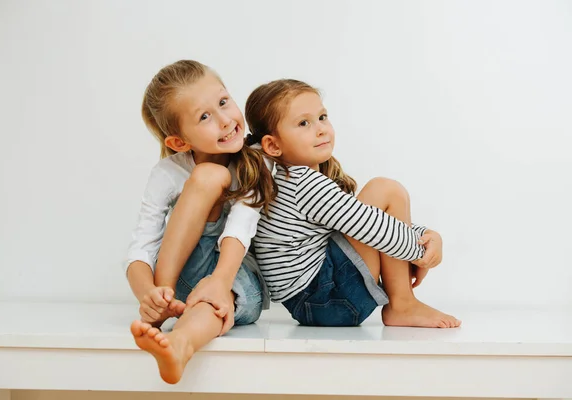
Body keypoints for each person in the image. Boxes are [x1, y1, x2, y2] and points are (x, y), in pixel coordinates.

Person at [230, 78, 461, 328]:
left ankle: (403, 302)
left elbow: (363, 219)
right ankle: (402, 304)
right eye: (304, 123)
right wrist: (421, 251)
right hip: (328, 299)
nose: (321, 129)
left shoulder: (285, 178)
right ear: (273, 145)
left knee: (377, 210)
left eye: (322, 117)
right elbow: (370, 226)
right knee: (386, 191)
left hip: (315, 302)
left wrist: (421, 236)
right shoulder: (302, 183)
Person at [126, 60, 270, 384]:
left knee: (211, 305)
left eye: (223, 102)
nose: (224, 121)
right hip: (176, 284)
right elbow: (140, 250)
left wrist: (219, 282)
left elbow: (240, 228)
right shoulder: (167, 173)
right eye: (204, 117)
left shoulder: (255, 161)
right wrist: (149, 295)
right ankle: (167, 305)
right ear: (179, 142)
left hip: (233, 275)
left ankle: (180, 345)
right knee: (208, 176)